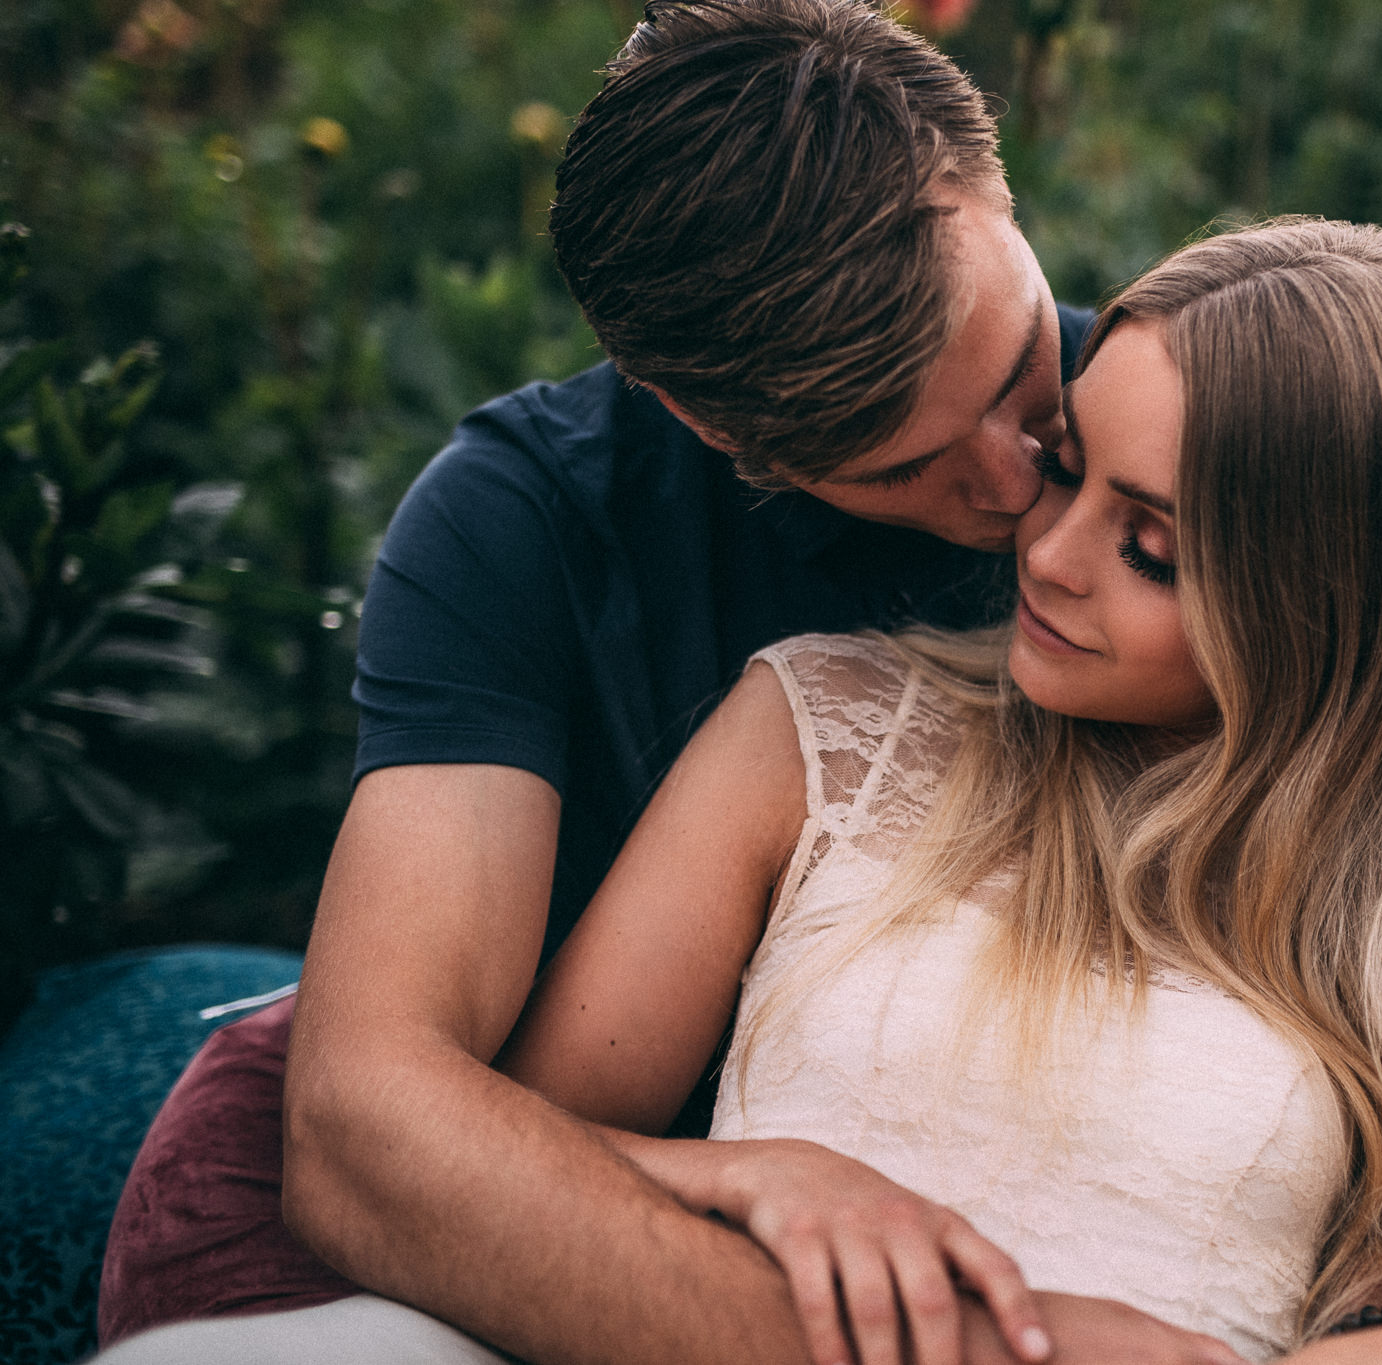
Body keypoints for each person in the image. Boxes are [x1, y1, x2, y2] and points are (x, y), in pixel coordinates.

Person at [95, 2, 1205, 1362]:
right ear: (704, 418)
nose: (1019, 480)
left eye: (1022, 364)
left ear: (998, 196)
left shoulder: (1161, 444)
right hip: (448, 1204)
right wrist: (771, 1203)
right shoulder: (528, 521)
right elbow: (363, 1137)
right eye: (900, 464)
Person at [484, 219, 1382, 1365]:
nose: (1046, 554)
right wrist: (747, 1176)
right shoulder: (820, 726)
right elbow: (492, 1156)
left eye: (1150, 548)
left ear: (1330, 613)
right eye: (1066, 464)